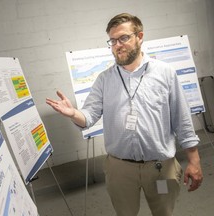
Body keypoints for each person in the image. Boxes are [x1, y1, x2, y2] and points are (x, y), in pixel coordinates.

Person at [46, 13, 203, 216]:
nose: (117, 45)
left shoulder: (165, 73)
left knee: (164, 213)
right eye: (112, 41)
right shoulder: (104, 79)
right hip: (120, 169)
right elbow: (89, 116)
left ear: (140, 36)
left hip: (160, 167)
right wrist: (73, 113)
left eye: (123, 38)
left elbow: (182, 120)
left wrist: (194, 160)